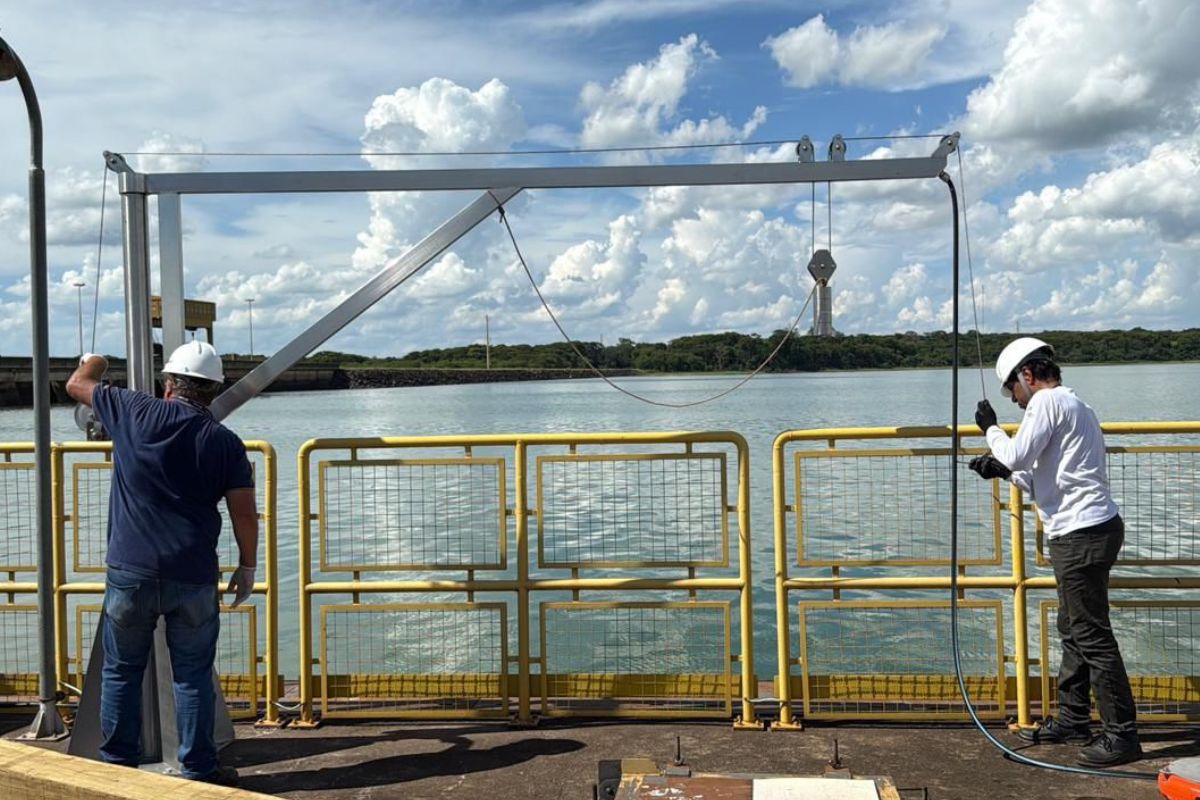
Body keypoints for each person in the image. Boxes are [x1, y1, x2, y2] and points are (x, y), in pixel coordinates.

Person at [66, 341, 259, 785]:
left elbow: (78, 383)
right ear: (213, 390)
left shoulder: (132, 410)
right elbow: (244, 514)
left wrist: (96, 359)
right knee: (191, 676)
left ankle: (118, 769)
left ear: (168, 384)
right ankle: (198, 770)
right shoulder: (225, 443)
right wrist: (247, 566)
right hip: (192, 575)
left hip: (130, 572)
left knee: (121, 671)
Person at [968, 337, 1140, 767]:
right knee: (1073, 629)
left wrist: (989, 430)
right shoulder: (1077, 407)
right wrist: (1003, 469)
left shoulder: (1046, 403)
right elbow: (1047, 478)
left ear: (1027, 376)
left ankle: (1122, 736)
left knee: (1092, 636)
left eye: (1013, 393)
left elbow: (1019, 451)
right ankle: (1074, 718)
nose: (1016, 403)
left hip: (1080, 535)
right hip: (1089, 528)